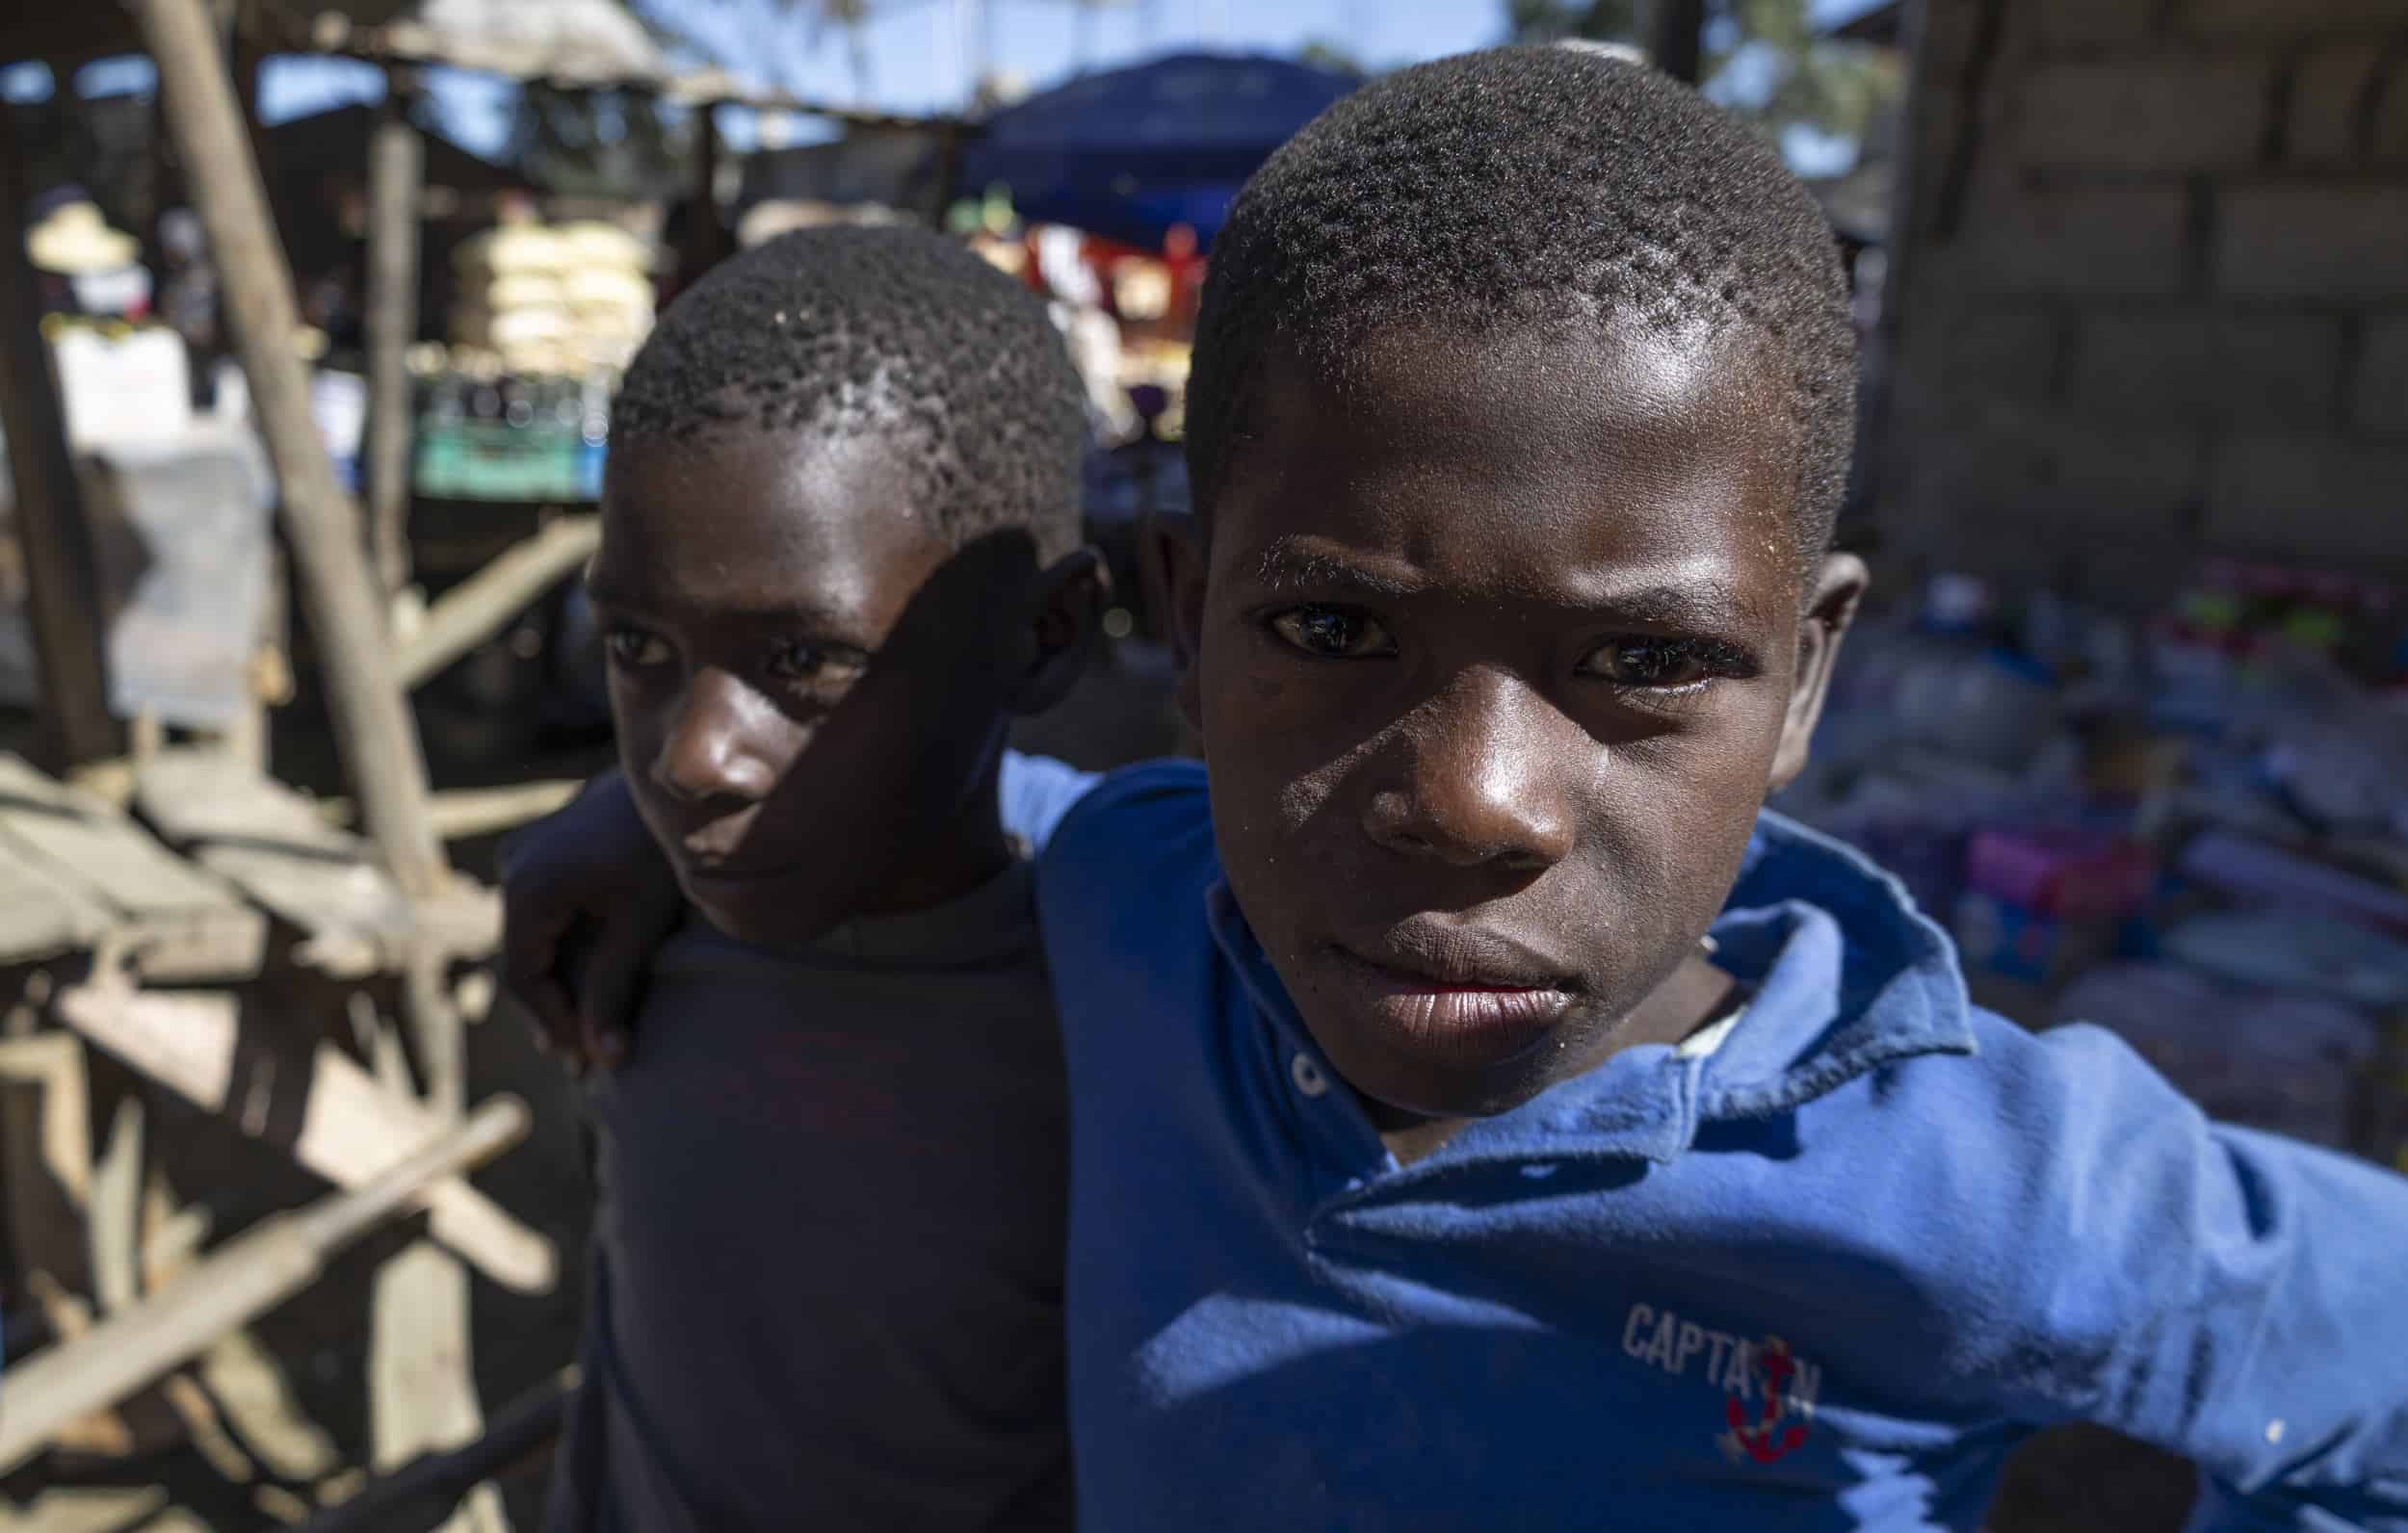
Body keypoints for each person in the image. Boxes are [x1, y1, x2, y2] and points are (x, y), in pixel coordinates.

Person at [507, 48, 2408, 1532]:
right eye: (1332, 630)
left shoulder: (1969, 1186)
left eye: (1644, 662)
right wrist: (635, 816)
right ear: (1180, 614)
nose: (1471, 802)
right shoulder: (1147, 904)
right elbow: (932, 788)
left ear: (1804, 668)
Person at [518, 223, 1104, 1532]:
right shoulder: (635, 937)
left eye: (803, 665)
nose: (693, 759)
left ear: (1047, 638)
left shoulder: (1133, 996)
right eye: (637, 644)